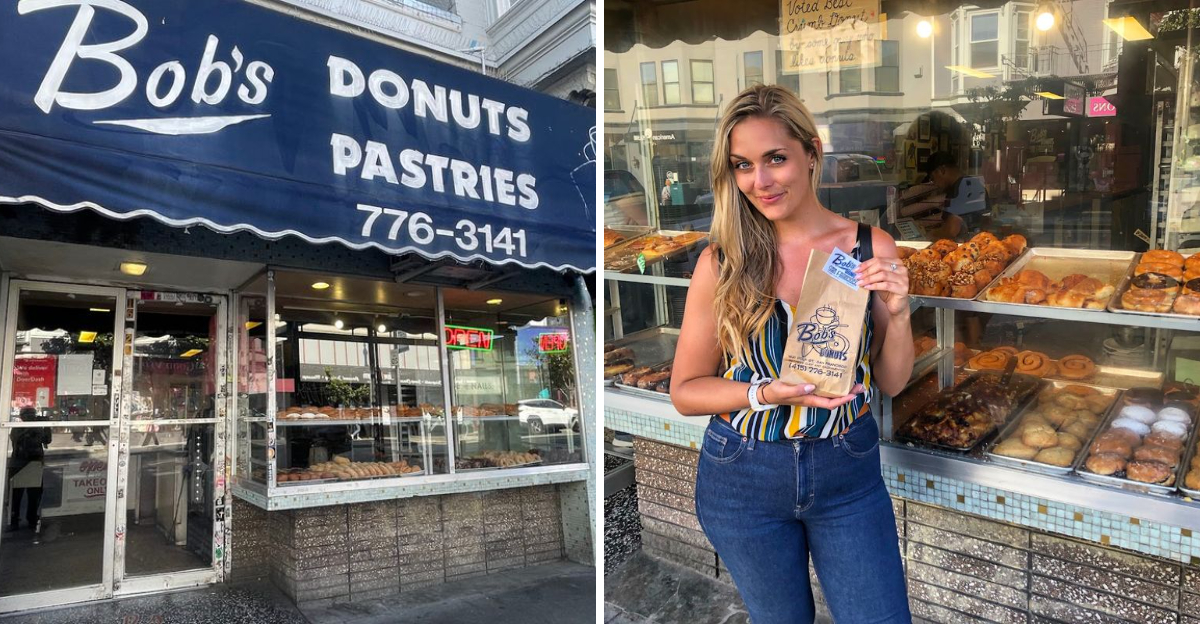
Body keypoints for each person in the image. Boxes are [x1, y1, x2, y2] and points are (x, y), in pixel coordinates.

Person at [670, 85, 914, 624]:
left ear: (811, 153)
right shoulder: (723, 260)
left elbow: (893, 382)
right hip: (742, 476)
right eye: (742, 165)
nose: (760, 181)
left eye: (775, 158)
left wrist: (897, 315)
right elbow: (686, 392)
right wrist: (764, 393)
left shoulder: (869, 248)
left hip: (845, 470)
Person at [924, 150, 990, 241]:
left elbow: (951, 230)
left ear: (941, 171)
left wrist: (930, 234)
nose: (934, 183)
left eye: (933, 178)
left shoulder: (960, 188)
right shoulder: (974, 184)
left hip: (965, 248)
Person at [6, 407, 51, 532]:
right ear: (22, 417)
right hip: (19, 464)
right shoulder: (17, 428)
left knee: (34, 494)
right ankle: (14, 520)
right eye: (28, 415)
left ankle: (31, 518)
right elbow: (16, 440)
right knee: (15, 496)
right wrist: (30, 427)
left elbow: (47, 440)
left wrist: (47, 425)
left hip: (34, 464)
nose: (30, 417)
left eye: (32, 415)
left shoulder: (37, 428)